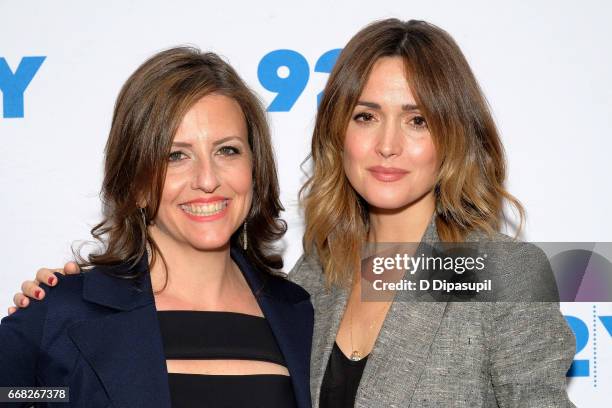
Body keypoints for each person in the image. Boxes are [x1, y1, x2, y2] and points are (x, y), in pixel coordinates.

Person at [9, 19, 576, 408]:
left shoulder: (492, 272)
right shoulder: (313, 282)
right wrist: (59, 306)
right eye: (366, 116)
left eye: (419, 120)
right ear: (338, 132)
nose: (387, 145)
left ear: (455, 136)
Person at [0, 47, 313, 408]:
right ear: (136, 182)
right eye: (175, 156)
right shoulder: (62, 313)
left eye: (227, 150)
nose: (207, 180)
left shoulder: (299, 313)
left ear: (255, 168)